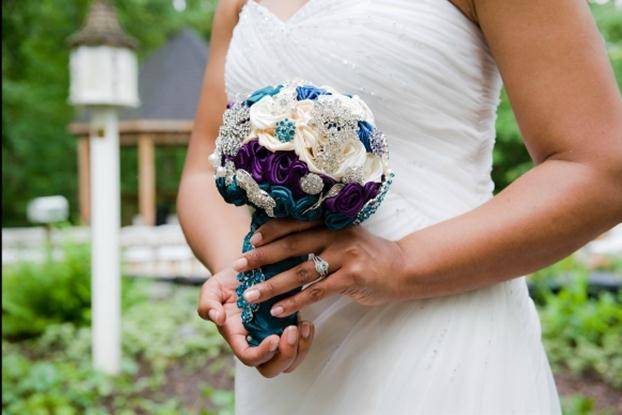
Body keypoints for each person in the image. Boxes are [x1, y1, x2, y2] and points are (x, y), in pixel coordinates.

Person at [177, 0, 622, 413]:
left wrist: (401, 263)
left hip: (441, 333)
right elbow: (202, 168)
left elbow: (600, 170)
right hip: (284, 355)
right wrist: (242, 277)